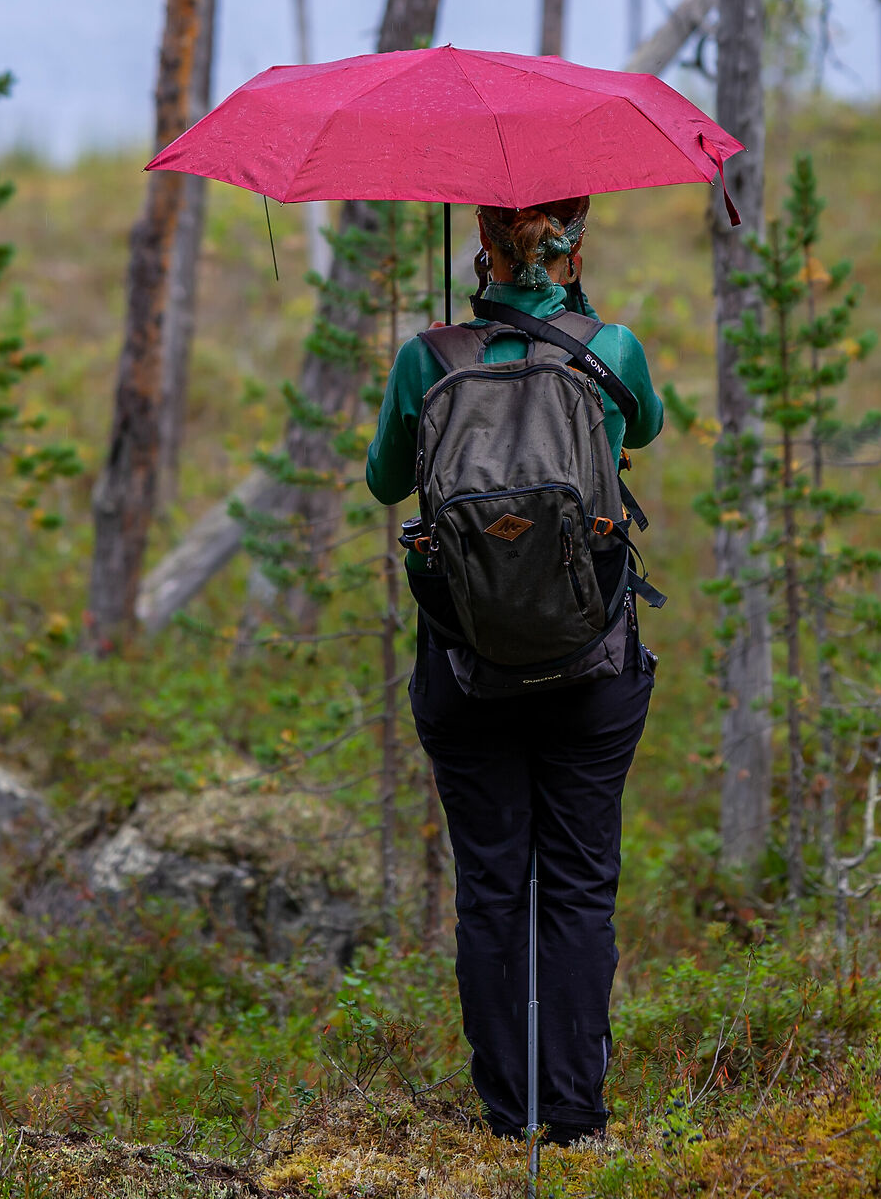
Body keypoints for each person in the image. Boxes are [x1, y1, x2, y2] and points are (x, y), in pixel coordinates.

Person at [364, 195, 665, 1147]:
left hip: (466, 661)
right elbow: (646, 430)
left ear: (481, 242)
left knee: (493, 887)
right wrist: (578, 324)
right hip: (592, 657)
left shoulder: (427, 358)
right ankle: (573, 1115)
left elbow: (384, 481)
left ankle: (509, 1113)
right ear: (573, 243)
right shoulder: (611, 349)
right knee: (578, 885)